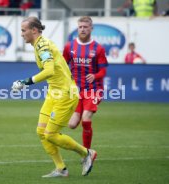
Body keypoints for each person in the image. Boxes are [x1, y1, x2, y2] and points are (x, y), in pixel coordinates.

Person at [12, 16, 97, 178]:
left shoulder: (43, 46)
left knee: (50, 134)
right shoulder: (39, 44)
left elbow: (49, 71)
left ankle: (86, 153)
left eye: (24, 30)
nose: (21, 34)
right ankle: (61, 169)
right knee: (41, 132)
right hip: (54, 92)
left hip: (65, 94)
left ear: (34, 30)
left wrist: (25, 82)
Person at [63, 16, 108, 150]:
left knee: (86, 118)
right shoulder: (69, 46)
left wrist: (95, 75)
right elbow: (63, 66)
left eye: (85, 27)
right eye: (80, 27)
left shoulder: (98, 48)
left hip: (94, 89)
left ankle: (87, 153)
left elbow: (103, 71)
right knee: (71, 124)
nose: (82, 29)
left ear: (91, 29)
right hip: (76, 91)